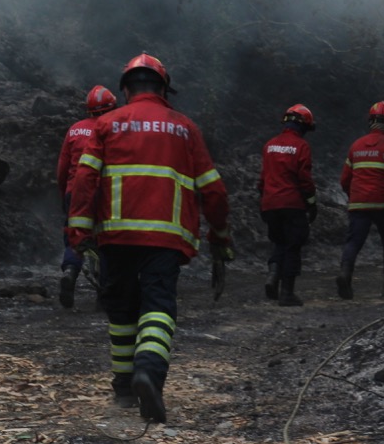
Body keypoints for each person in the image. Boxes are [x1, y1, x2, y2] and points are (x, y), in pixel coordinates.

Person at [67, 53, 232, 423]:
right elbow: (214, 190)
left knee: (122, 311)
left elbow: (83, 181)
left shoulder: (106, 124)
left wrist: (79, 233)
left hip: (116, 235)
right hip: (165, 239)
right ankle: (149, 373)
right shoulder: (185, 127)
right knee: (158, 307)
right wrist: (220, 234)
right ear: (163, 89)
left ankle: (125, 388)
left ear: (125, 89)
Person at [336, 101, 384, 300]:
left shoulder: (356, 146)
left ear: (371, 122)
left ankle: (345, 274)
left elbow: (345, 179)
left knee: (354, 241)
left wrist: (353, 196)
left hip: (359, 202)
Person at [55, 84, 118, 308]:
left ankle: (71, 270)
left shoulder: (75, 129)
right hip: (104, 194)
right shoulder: (114, 129)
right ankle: (104, 294)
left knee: (75, 237)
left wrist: (66, 195)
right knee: (104, 242)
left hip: (75, 193)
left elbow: (62, 168)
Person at [258, 104, 318, 307]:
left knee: (279, 242)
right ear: (302, 126)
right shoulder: (301, 147)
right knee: (293, 245)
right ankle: (287, 294)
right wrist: (311, 202)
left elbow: (263, 179)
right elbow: (304, 179)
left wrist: (263, 200)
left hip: (270, 204)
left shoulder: (270, 145)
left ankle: (272, 276)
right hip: (292, 204)